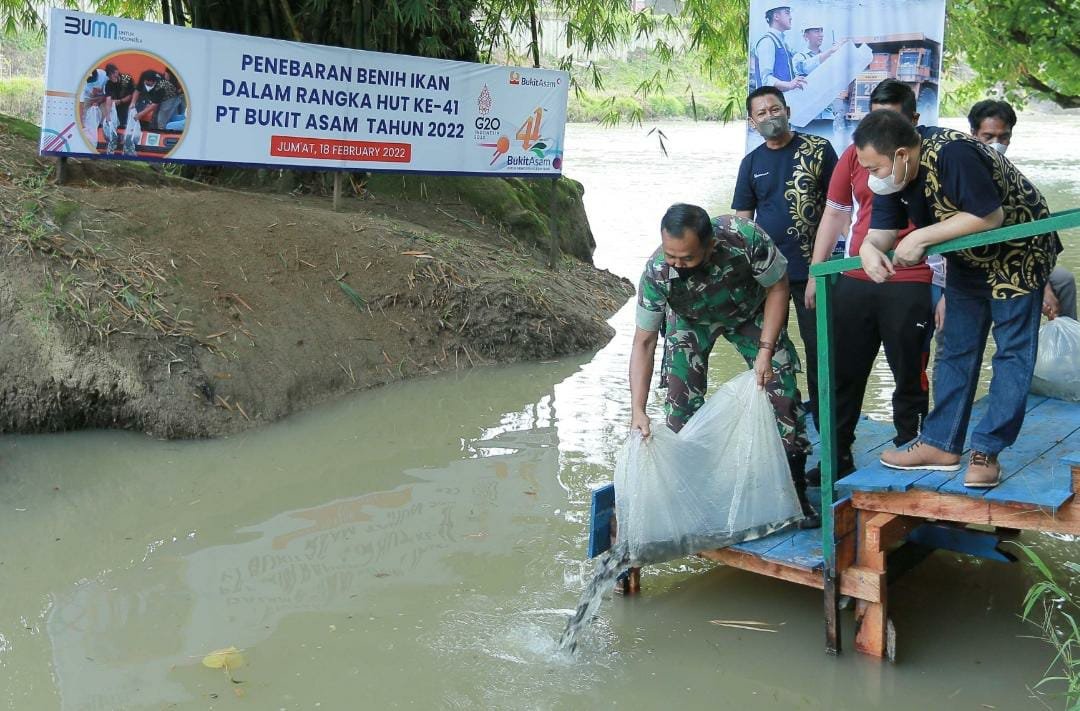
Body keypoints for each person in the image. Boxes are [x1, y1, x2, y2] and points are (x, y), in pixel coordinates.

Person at [854, 109, 1061, 487]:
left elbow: (989, 216)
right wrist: (869, 247)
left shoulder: (953, 153)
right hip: (967, 258)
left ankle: (987, 450)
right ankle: (940, 443)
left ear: (902, 154)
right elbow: (883, 230)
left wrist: (919, 238)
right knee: (955, 347)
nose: (873, 178)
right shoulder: (894, 178)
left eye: (876, 168)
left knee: (1011, 351)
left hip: (1018, 248)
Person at [630, 203, 819, 527]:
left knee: (781, 391)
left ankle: (795, 494)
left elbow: (778, 287)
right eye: (671, 255)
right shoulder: (658, 271)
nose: (677, 264)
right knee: (680, 407)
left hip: (750, 311)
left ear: (710, 245)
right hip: (691, 320)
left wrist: (765, 350)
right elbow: (644, 342)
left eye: (687, 258)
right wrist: (637, 409)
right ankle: (693, 501)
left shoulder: (744, 239)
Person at [803, 79, 929, 484]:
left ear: (913, 121)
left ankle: (915, 449)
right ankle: (836, 457)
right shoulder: (855, 156)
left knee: (910, 370)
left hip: (914, 277)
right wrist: (816, 271)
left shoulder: (930, 159)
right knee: (841, 371)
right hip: (857, 273)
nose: (882, 132)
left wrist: (945, 287)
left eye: (891, 120)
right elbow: (836, 213)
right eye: (874, 120)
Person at [734, 86, 838, 429]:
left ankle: (831, 432)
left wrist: (819, 269)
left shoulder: (819, 150)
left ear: (788, 111)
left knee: (820, 351)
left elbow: (839, 209)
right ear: (752, 122)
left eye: (774, 109)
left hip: (816, 272)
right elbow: (743, 221)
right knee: (770, 348)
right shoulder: (751, 163)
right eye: (761, 113)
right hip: (769, 275)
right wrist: (744, 270)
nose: (769, 117)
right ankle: (784, 425)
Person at [967, 99, 1075, 321]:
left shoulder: (1015, 178)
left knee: (1063, 279)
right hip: (973, 265)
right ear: (973, 134)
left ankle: (1066, 350)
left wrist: (1043, 281)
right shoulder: (962, 171)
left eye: (1003, 137)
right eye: (989, 137)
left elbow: (1036, 236)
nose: (997, 143)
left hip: (1020, 260)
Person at [752, 6, 805, 92]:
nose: (791, 17)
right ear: (776, 16)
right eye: (787, 13)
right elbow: (766, 80)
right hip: (771, 102)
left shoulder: (782, 43)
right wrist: (789, 85)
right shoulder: (767, 42)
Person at [102, 64, 135, 155]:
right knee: (113, 123)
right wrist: (107, 116)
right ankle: (114, 145)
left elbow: (131, 95)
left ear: (116, 72)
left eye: (112, 75)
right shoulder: (108, 83)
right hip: (115, 107)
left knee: (126, 123)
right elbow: (108, 100)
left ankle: (128, 147)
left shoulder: (127, 79)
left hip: (129, 104)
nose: (111, 78)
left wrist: (120, 101)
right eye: (109, 76)